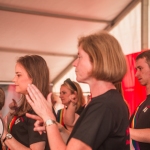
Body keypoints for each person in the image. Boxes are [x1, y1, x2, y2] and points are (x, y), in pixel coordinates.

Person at [26, 31, 130, 150]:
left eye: (80, 57)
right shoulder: (107, 101)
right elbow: (77, 145)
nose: (74, 63)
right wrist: (57, 128)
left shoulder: (103, 106)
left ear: (97, 60)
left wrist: (48, 119)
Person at [1, 55, 51, 150]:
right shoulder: (29, 107)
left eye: (18, 75)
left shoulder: (39, 110)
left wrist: (5, 135)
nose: (14, 79)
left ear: (33, 77)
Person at [130, 50, 150, 150]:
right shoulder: (142, 104)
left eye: (140, 68)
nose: (136, 74)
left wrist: (124, 131)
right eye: (136, 69)